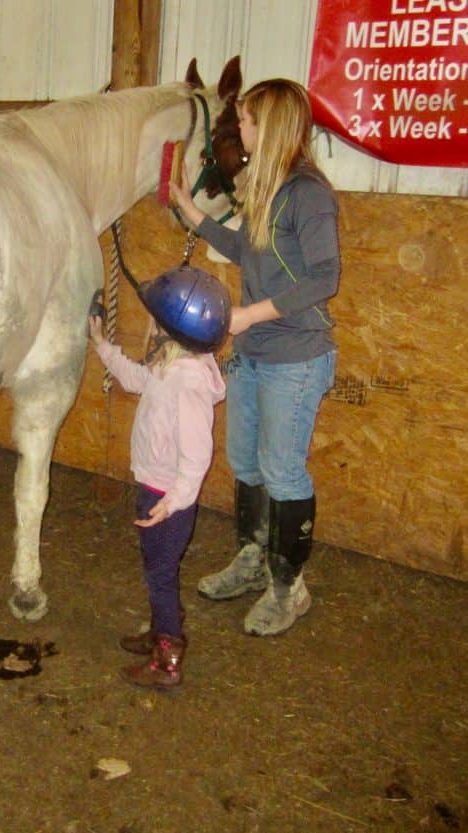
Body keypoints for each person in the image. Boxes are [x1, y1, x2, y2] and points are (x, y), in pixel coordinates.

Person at [169, 78, 340, 637]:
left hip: (294, 355)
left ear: (270, 128)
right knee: (246, 463)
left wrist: (249, 315)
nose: (238, 128)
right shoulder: (265, 190)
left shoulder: (308, 194)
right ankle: (251, 560)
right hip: (255, 352)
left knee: (283, 470)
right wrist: (192, 213)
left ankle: (289, 588)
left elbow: (324, 278)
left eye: (245, 120)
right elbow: (247, 248)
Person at [89, 265, 228, 688]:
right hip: (156, 486)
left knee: (160, 572)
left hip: (167, 496)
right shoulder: (171, 367)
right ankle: (160, 631)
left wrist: (175, 499)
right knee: (157, 566)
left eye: (154, 319)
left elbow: (197, 454)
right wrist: (103, 347)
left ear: (170, 330)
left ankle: (167, 658)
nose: (149, 323)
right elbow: (136, 380)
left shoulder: (187, 383)